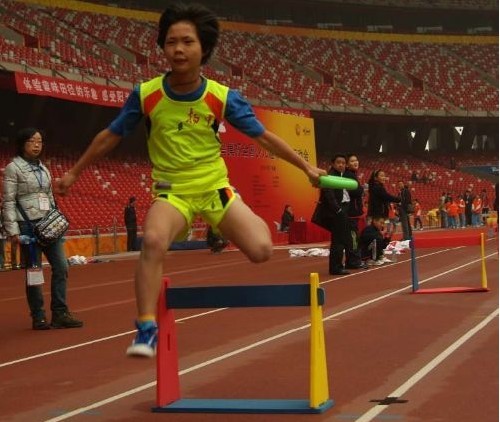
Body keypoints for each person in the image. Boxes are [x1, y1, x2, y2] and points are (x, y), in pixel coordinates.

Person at [55, 3, 324, 358]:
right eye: (171, 42)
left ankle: (231, 214)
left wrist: (306, 169)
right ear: (162, 47)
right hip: (172, 193)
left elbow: (263, 138)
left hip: (214, 189)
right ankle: (146, 329)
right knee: (153, 241)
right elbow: (111, 135)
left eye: (187, 42)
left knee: (261, 251)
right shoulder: (146, 94)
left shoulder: (222, 97)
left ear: (204, 48)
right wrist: (75, 172)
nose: (178, 49)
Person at [2, 128, 83, 330]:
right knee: (34, 272)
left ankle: (60, 312)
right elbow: (8, 201)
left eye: (39, 141)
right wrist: (13, 231)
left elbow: (49, 196)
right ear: (22, 144)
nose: (37, 145)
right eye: (32, 141)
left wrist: (56, 219)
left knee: (62, 267)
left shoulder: (44, 168)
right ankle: (38, 315)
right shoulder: (13, 168)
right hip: (27, 226)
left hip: (48, 225)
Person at [318, 154, 353, 276]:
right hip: (336, 212)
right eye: (338, 162)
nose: (341, 165)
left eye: (343, 163)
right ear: (333, 164)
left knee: (342, 240)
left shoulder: (341, 176)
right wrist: (338, 210)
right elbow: (329, 194)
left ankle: (338, 266)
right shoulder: (329, 176)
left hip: (342, 210)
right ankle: (335, 268)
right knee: (338, 241)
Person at [344, 153, 367, 269]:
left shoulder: (352, 174)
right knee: (353, 237)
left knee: (353, 237)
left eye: (356, 160)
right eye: (352, 161)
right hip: (351, 212)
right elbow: (355, 191)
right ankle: (353, 262)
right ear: (347, 164)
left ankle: (353, 260)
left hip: (353, 212)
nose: (355, 162)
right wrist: (361, 189)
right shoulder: (348, 175)